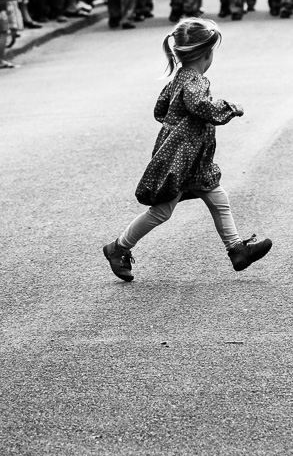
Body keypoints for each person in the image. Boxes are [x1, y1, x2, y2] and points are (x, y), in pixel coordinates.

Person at [102, 18, 272, 282]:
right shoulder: (195, 81)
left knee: (218, 198)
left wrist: (176, 124)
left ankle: (237, 250)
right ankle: (118, 248)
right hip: (182, 158)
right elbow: (200, 106)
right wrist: (229, 108)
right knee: (161, 211)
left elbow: (160, 109)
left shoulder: (179, 78)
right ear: (206, 53)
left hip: (190, 157)